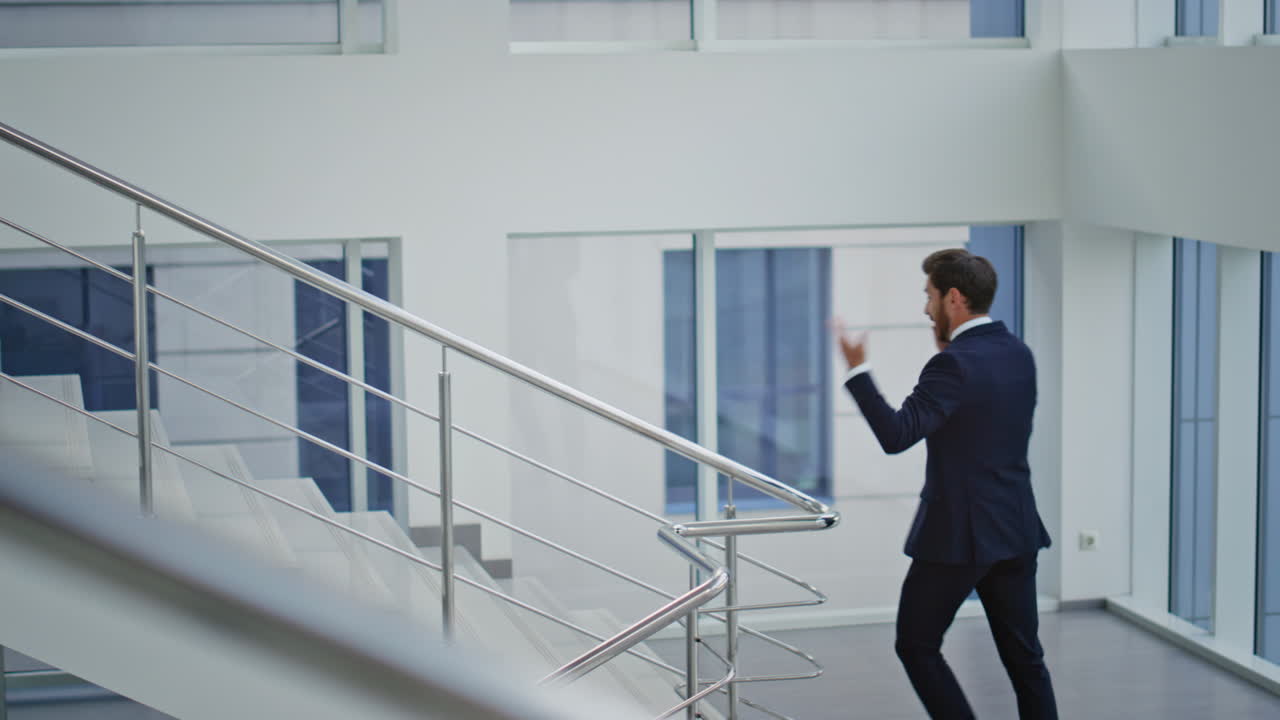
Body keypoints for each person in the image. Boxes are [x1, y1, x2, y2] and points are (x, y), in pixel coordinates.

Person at [833, 248, 1058, 720]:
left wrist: (857, 370)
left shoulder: (952, 365)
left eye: (929, 295)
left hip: (960, 535)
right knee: (1026, 660)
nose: (925, 307)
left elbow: (895, 435)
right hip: (1016, 529)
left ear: (953, 298)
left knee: (916, 644)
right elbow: (985, 426)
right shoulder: (1018, 354)